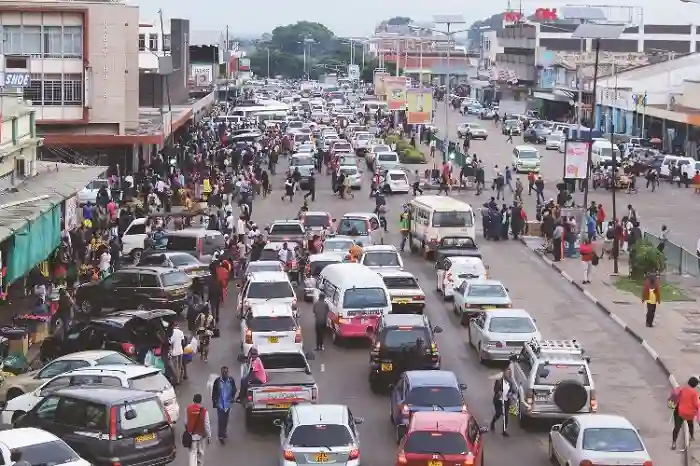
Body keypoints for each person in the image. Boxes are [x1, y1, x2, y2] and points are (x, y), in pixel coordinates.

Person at [211, 366, 237, 444]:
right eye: (224, 372)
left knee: (225, 419)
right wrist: (214, 402)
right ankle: (220, 436)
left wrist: (232, 398)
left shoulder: (231, 380)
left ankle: (224, 432)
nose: (225, 374)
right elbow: (214, 392)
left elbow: (234, 389)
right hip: (220, 405)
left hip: (228, 404)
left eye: (226, 372)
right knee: (221, 420)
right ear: (221, 373)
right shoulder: (218, 381)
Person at [186, 394, 211, 466]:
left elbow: (185, 422)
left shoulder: (188, 409)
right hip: (201, 435)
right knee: (201, 451)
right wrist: (209, 435)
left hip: (192, 435)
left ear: (193, 400)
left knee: (193, 452)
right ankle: (200, 463)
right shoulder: (204, 411)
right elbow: (207, 424)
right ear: (201, 401)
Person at [490, 368, 516, 436]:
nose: (509, 374)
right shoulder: (499, 381)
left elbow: (513, 391)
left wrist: (510, 394)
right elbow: (495, 389)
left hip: (506, 401)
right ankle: (492, 423)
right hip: (498, 401)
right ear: (504, 373)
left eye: (509, 373)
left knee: (506, 416)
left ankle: (504, 430)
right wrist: (499, 392)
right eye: (507, 372)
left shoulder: (510, 382)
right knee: (499, 414)